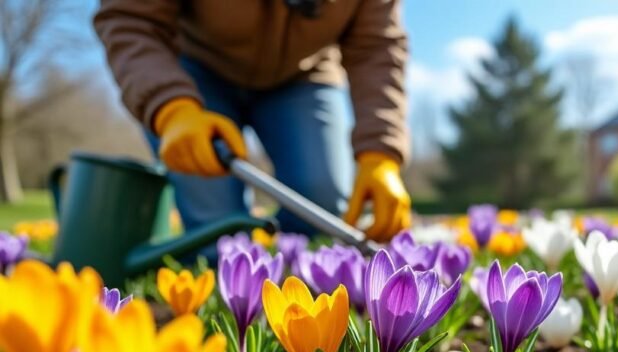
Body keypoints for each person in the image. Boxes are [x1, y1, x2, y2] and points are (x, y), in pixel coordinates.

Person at [94, 0, 412, 243]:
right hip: (195, 74)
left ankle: (292, 273)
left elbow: (377, 47)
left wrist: (381, 155)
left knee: (321, 199)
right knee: (217, 228)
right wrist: (170, 107)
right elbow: (130, 16)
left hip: (304, 75)